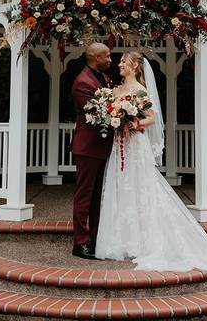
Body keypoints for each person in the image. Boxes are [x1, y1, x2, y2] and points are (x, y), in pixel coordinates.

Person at [94, 51, 207, 272]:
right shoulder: (116, 90)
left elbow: (151, 118)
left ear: (134, 66)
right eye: (119, 61)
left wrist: (132, 124)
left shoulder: (140, 90)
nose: (119, 64)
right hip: (119, 145)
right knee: (121, 187)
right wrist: (114, 121)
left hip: (136, 146)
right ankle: (121, 239)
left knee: (140, 189)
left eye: (123, 62)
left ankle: (144, 240)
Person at [69, 42, 114, 260]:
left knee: (97, 197)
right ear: (96, 58)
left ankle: (96, 238)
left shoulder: (102, 78)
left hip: (101, 148)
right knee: (84, 197)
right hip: (87, 148)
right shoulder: (82, 83)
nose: (110, 60)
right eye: (107, 56)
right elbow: (99, 116)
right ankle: (80, 242)